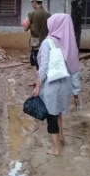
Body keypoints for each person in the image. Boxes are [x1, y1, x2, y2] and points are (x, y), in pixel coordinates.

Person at [32, 13, 80, 157]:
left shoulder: (48, 43)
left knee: (51, 115)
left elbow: (44, 67)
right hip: (65, 84)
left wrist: (37, 86)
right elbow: (74, 68)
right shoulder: (68, 43)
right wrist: (76, 91)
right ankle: (61, 136)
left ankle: (55, 149)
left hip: (52, 85)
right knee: (58, 111)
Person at [23, 0, 51, 70]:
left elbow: (25, 28)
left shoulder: (32, 14)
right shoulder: (48, 14)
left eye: (32, 3)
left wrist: (26, 23)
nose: (32, 4)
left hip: (36, 44)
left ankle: (40, 79)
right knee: (45, 62)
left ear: (35, 2)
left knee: (37, 63)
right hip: (46, 42)